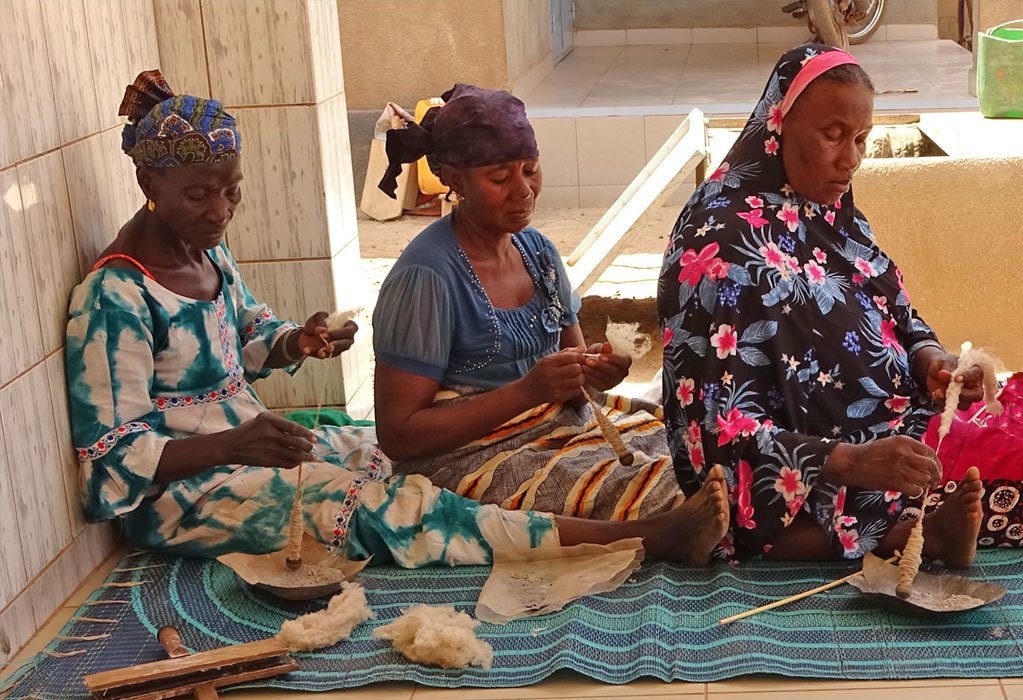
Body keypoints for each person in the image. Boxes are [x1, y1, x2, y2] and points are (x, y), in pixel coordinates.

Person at [66, 69, 728, 568]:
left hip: (252, 449)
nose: (221, 209)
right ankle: (635, 540)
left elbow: (245, 333)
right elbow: (106, 467)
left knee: (371, 460)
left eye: (231, 189)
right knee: (401, 508)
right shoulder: (115, 297)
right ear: (150, 190)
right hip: (186, 491)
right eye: (199, 195)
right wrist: (228, 446)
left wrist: (298, 339)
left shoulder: (205, 254)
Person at [657, 45, 988, 564]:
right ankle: (901, 534)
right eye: (832, 135)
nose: (850, 158)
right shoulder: (721, 241)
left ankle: (909, 526)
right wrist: (849, 461)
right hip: (797, 464)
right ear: (779, 126)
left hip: (885, 431)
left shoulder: (839, 218)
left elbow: (901, 315)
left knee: (1001, 427)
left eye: (860, 139)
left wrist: (934, 364)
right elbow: (715, 425)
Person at [372, 84, 727, 536]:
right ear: (455, 180)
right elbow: (399, 436)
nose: (524, 191)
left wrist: (596, 370)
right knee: (653, 488)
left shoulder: (537, 252)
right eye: (500, 179)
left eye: (531, 170)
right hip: (463, 456)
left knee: (695, 446)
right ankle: (661, 536)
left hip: (555, 426)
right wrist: (525, 392)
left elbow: (577, 387)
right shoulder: (426, 278)